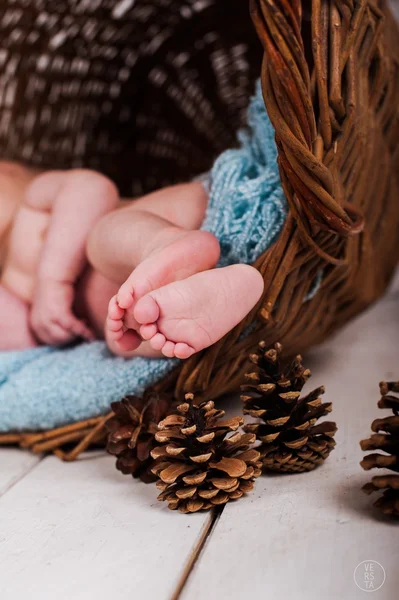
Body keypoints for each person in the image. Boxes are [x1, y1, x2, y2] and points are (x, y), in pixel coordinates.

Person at [0, 163, 264, 359]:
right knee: (126, 342)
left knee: (100, 237)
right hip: (137, 307)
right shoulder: (10, 283)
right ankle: (199, 307)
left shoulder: (32, 204)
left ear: (7, 170)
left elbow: (93, 189)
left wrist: (53, 279)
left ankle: (165, 243)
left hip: (167, 222)